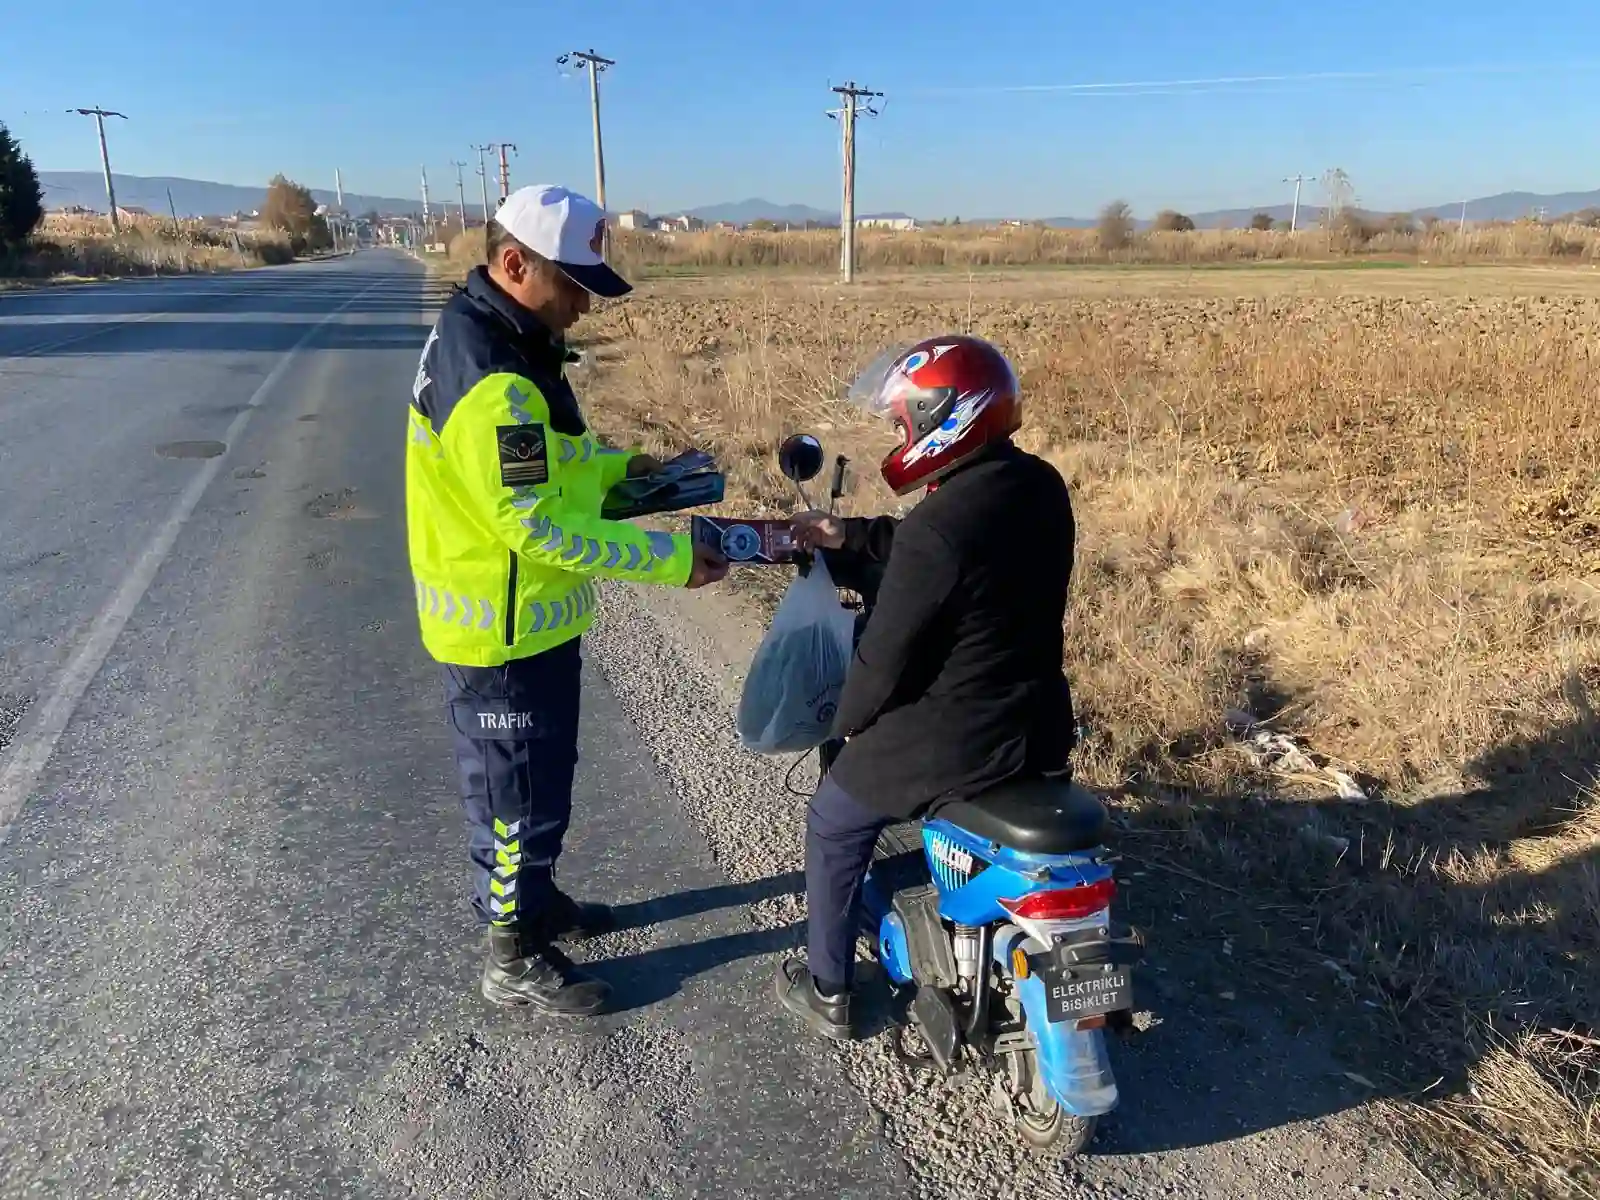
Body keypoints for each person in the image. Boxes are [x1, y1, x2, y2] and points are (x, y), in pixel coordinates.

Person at [406, 183, 728, 1017]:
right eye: (574, 283)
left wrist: (634, 473)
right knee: (514, 800)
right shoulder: (494, 380)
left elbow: (561, 465)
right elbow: (532, 525)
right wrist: (668, 559)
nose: (586, 303)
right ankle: (510, 951)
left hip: (535, 622)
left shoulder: (514, 343)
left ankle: (536, 903)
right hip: (500, 634)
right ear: (514, 264)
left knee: (545, 784)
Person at [773, 334, 1078, 1041]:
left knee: (833, 820)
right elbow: (932, 554)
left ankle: (828, 991)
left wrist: (840, 725)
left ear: (947, 417)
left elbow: (880, 664)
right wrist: (846, 536)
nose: (899, 433)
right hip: (1037, 722)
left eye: (904, 420)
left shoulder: (939, 529)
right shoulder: (1037, 485)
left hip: (956, 737)